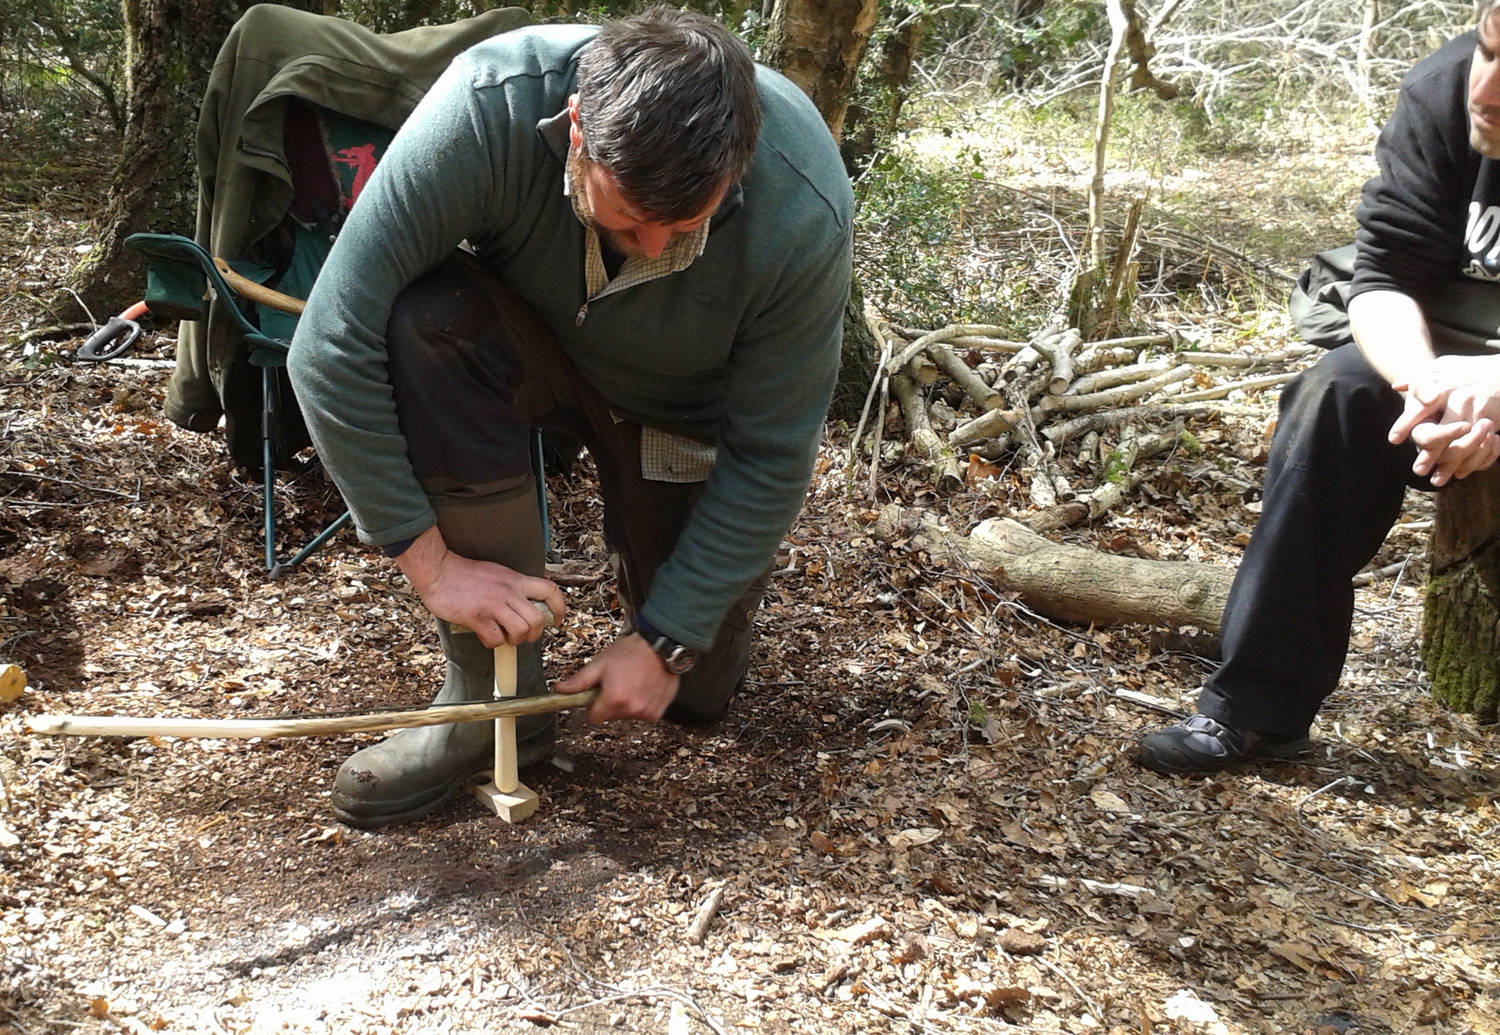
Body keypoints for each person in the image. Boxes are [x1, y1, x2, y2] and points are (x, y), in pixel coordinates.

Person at [286, 8, 852, 825]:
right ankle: (496, 702)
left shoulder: (802, 204)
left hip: (680, 420)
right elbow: (328, 342)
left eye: (686, 227)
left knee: (695, 694)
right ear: (578, 130)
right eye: (626, 220)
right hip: (532, 354)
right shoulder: (490, 106)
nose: (654, 249)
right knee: (426, 317)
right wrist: (431, 564)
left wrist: (666, 640)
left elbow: (771, 455)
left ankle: (669, 630)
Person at [1136, 0, 1500, 775]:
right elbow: (1384, 277)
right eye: (1490, 51)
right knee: (1333, 395)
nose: (1487, 91)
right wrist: (1427, 385)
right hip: (1449, 350)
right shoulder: (1444, 88)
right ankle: (1257, 709)